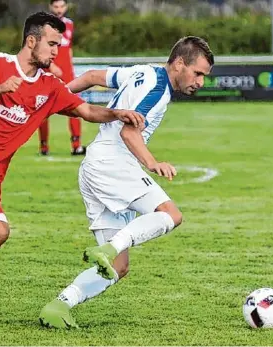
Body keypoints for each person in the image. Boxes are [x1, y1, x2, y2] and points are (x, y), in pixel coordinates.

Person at [0, 11, 144, 325]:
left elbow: (85, 109)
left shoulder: (49, 86)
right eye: (51, 44)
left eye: (58, 45)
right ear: (31, 41)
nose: (56, 51)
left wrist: (117, 113)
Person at [39, 36, 214, 329]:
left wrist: (56, 97)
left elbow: (93, 77)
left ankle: (59, 306)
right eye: (198, 73)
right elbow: (129, 134)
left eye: (204, 77)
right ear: (179, 63)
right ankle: (105, 249)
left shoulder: (141, 71)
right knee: (171, 215)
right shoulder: (158, 90)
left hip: (94, 166)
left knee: (119, 267)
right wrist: (153, 162)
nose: (200, 82)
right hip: (114, 165)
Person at [38, 0, 84, 155]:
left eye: (61, 6)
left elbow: (68, 48)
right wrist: (50, 66)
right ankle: (44, 146)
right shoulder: (44, 25)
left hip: (68, 74)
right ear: (51, 7)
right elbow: (39, 49)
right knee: (43, 109)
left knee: (75, 107)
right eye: (56, 7)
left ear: (66, 7)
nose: (59, 10)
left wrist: (71, 68)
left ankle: (76, 145)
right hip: (50, 71)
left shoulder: (69, 24)